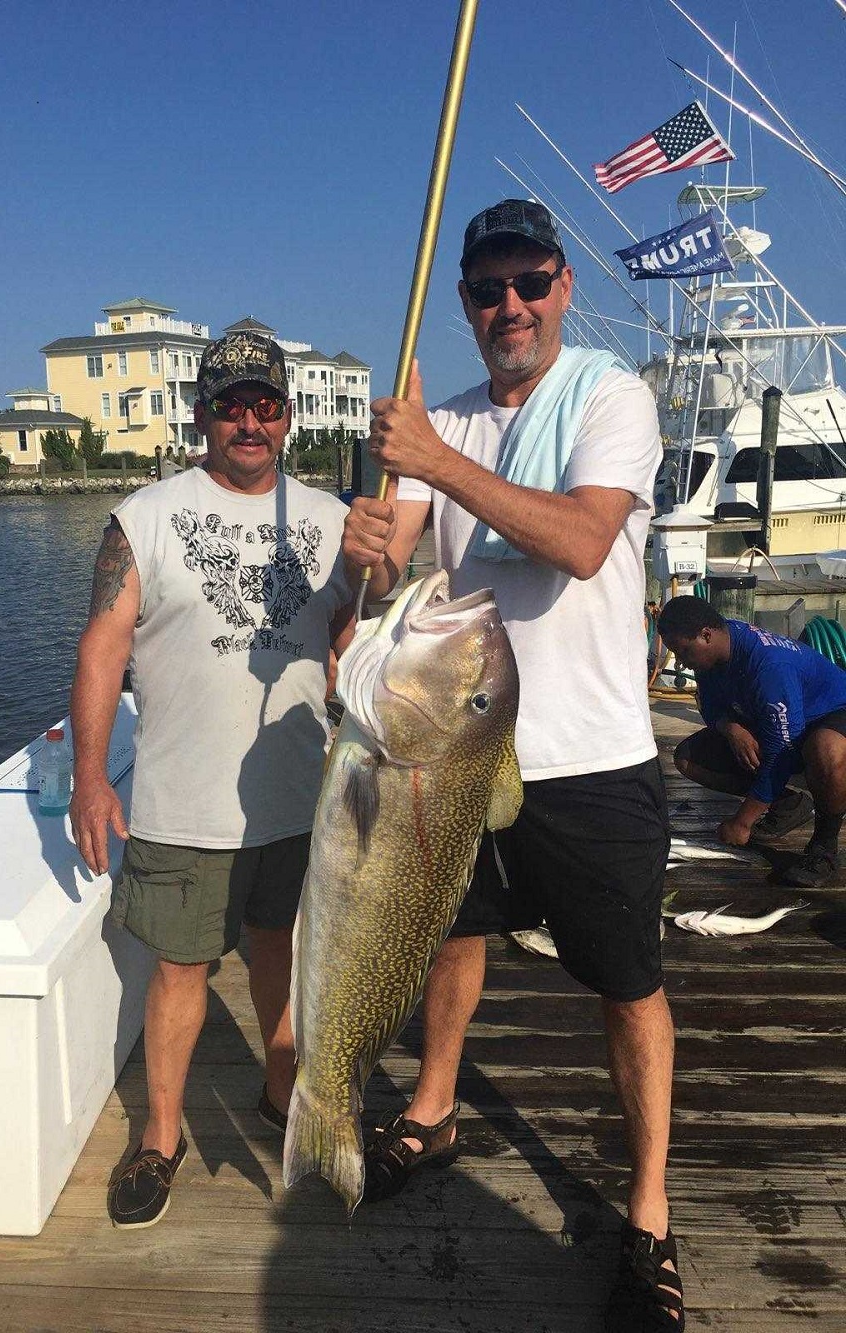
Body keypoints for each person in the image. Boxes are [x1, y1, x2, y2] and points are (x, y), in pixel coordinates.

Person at [343, 199, 681, 1330]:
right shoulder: (436, 422)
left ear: (563, 285)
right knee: (453, 938)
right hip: (458, 749)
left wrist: (437, 460)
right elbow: (396, 580)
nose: (510, 308)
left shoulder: (610, 394)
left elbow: (582, 541)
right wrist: (372, 549)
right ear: (463, 304)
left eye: (529, 282)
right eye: (487, 291)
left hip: (591, 759)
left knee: (626, 985)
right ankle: (434, 1114)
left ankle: (647, 1212)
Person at [69, 331, 354, 1230]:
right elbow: (102, 649)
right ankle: (161, 1136)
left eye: (266, 404)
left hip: (296, 798)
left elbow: (351, 629)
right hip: (182, 803)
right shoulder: (145, 515)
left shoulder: (332, 519)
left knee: (282, 949)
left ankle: (283, 1096)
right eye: (231, 402)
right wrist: (89, 777)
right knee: (180, 970)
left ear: (289, 417)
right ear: (203, 413)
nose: (249, 420)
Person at [658, 595, 846, 887]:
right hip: (779, 722)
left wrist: (742, 822)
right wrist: (732, 728)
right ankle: (788, 803)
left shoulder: (769, 666)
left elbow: (780, 752)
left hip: (829, 715)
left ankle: (824, 847)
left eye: (682, 651)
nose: (681, 662)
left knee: (826, 751)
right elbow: (709, 707)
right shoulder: (713, 654)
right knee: (688, 758)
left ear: (706, 635)